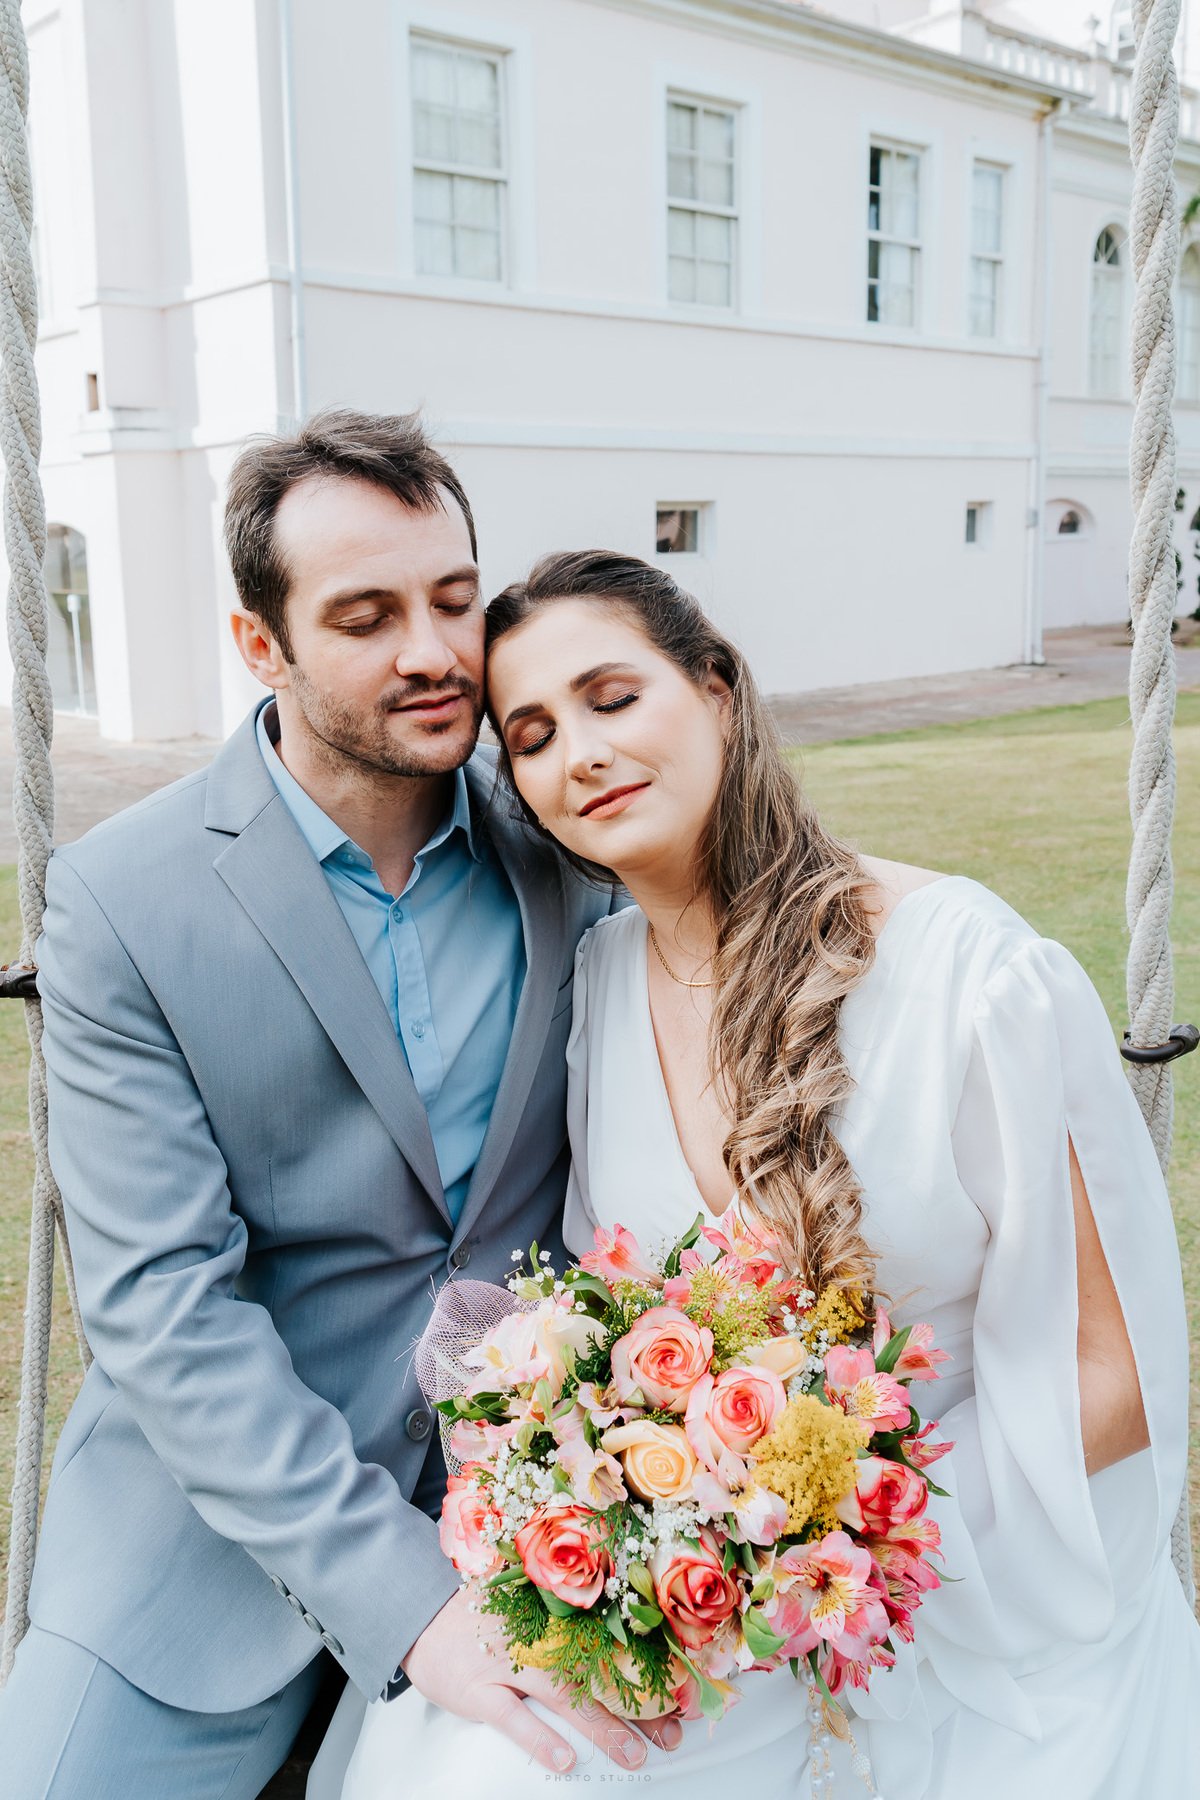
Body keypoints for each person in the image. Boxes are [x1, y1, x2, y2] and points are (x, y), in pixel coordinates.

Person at [325, 550, 1200, 1799]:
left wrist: (820, 1552)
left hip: (969, 1599)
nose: (577, 751)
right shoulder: (599, 989)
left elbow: (1113, 1380)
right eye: (529, 734)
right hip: (705, 1602)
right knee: (472, 1771)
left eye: (611, 697)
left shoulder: (973, 975)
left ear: (720, 689)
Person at [0, 420, 671, 1797]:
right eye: (366, 618)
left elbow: (740, 863)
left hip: (538, 1521)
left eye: (450, 600)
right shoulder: (120, 902)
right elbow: (161, 1311)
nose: (432, 652)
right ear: (263, 646)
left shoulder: (562, 830)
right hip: (192, 1555)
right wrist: (410, 1604)